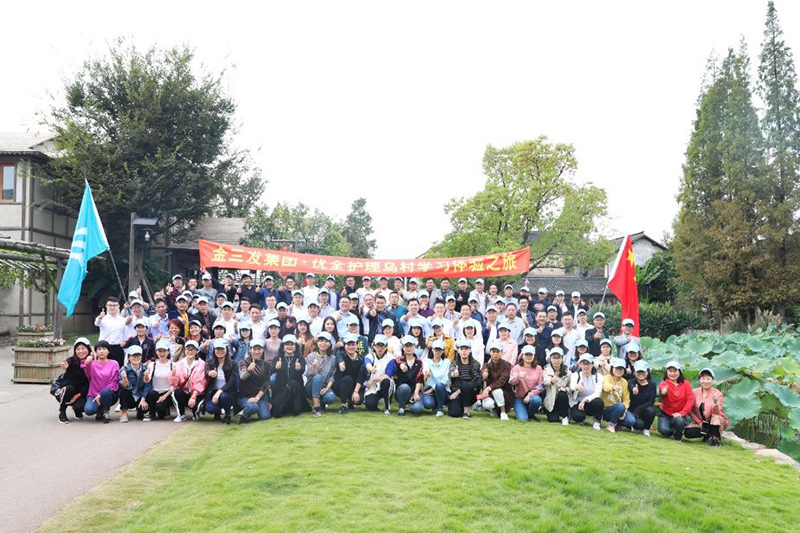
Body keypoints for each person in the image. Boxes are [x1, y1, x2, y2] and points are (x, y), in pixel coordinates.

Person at [685, 368, 729, 447]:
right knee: (688, 433)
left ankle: (716, 439)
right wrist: (699, 422)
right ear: (700, 380)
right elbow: (689, 409)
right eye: (703, 379)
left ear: (712, 380)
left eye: (708, 379)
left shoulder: (718, 394)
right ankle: (708, 434)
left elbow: (717, 413)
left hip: (716, 420)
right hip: (701, 421)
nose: (705, 381)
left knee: (715, 419)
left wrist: (715, 404)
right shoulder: (694, 392)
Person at [81, 340, 121, 423]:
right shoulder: (92, 364)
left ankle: (106, 412)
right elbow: (86, 370)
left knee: (105, 392)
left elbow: (114, 381)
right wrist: (87, 362)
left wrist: (100, 395)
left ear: (108, 351)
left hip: (109, 393)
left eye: (104, 349)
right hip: (93, 394)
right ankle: (100, 409)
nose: (102, 351)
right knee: (89, 410)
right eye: (99, 349)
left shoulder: (114, 363)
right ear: (96, 352)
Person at [54, 337, 92, 423]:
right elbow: (67, 362)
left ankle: (77, 410)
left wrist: (77, 396)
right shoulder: (72, 360)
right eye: (78, 349)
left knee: (83, 407)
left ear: (88, 349)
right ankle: (62, 412)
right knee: (69, 389)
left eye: (83, 348)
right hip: (67, 390)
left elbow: (89, 383)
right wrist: (65, 365)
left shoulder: (92, 362)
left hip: (82, 391)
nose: (80, 351)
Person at [270, 334, 309, 417]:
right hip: (281, 392)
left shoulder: (300, 359)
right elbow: (271, 371)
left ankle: (296, 409)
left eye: (292, 344)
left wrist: (299, 369)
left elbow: (302, 371)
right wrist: (276, 367)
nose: (289, 346)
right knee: (276, 410)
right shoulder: (277, 359)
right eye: (287, 344)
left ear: (295, 347)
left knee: (293, 383)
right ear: (283, 346)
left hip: (296, 394)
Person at [169, 339, 207, 422]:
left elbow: (201, 382)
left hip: (197, 394)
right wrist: (173, 375)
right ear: (184, 350)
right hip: (185, 392)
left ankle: (195, 412)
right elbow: (175, 384)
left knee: (196, 407)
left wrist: (193, 396)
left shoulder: (202, 364)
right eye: (188, 349)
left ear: (196, 351)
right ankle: (181, 414)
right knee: (176, 392)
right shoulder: (178, 364)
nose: (190, 351)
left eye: (192, 349)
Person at [657, 360, 695, 441]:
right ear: (667, 372)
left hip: (680, 415)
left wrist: (681, 413)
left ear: (679, 372)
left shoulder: (686, 384)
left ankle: (678, 434)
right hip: (666, 414)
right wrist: (664, 391)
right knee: (664, 430)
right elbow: (662, 389)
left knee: (679, 420)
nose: (672, 373)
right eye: (670, 371)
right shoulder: (664, 383)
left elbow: (690, 400)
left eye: (675, 371)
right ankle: (672, 430)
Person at [236, 338, 271, 424]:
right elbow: (242, 377)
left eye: (259, 349)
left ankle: (259, 406)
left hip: (260, 396)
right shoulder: (243, 362)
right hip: (245, 396)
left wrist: (257, 398)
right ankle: (244, 415)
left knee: (265, 417)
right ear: (250, 350)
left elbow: (266, 384)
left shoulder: (266, 365)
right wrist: (249, 370)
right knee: (253, 407)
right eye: (254, 349)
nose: (256, 352)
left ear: (262, 350)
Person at [304, 332, 338, 417]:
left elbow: (332, 376)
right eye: (321, 341)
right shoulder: (311, 356)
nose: (323, 343)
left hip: (324, 387)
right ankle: (316, 407)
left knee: (330, 397)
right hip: (311, 387)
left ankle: (321, 403)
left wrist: (327, 388)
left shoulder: (333, 359)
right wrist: (314, 368)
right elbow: (309, 375)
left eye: (326, 341)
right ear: (317, 342)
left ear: (330, 344)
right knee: (318, 377)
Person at [142, 340, 177, 421]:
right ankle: (152, 413)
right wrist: (146, 375)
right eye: (159, 351)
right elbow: (147, 381)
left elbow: (175, 385)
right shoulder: (152, 364)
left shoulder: (173, 365)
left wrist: (165, 396)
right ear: (156, 352)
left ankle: (165, 410)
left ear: (168, 352)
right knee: (151, 393)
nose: (162, 353)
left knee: (161, 410)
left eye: (164, 351)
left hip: (168, 393)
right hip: (155, 393)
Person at [204, 338, 237, 424]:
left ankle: (227, 414)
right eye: (217, 349)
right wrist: (209, 373)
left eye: (222, 349)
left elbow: (232, 381)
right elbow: (206, 374)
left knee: (224, 397)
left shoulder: (233, 364)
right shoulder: (210, 363)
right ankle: (217, 412)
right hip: (213, 392)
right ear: (214, 350)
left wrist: (219, 391)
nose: (220, 351)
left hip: (227, 392)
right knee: (209, 408)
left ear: (226, 350)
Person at [448, 339, 483, 419]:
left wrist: (458, 392)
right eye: (461, 349)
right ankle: (461, 406)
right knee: (454, 413)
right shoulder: (454, 364)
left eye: (466, 349)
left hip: (471, 392)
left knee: (466, 385)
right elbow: (450, 374)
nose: (464, 351)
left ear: (470, 350)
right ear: (458, 351)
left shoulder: (476, 364)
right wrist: (454, 374)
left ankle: (466, 411)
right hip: (457, 391)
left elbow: (475, 381)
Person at [568, 354, 605, 430]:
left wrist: (585, 400)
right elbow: (572, 386)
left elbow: (597, 393)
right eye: (583, 364)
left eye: (588, 364)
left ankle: (597, 421)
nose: (586, 366)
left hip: (591, 403)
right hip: (577, 403)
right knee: (578, 417)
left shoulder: (598, 377)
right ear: (580, 365)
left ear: (592, 364)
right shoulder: (576, 375)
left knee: (599, 402)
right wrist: (577, 387)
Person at [509, 345, 544, 422]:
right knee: (522, 419)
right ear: (522, 356)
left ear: (534, 356)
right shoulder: (517, 367)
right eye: (526, 354)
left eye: (530, 355)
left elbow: (541, 386)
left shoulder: (538, 368)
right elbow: (511, 382)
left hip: (533, 397)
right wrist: (518, 377)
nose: (528, 357)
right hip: (519, 397)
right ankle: (524, 412)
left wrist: (530, 395)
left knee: (537, 400)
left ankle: (531, 414)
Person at [392, 335, 425, 416]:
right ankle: (402, 407)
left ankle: (410, 404)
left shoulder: (419, 362)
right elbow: (399, 363)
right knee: (405, 387)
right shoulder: (399, 359)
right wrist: (402, 366)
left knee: (417, 409)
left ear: (414, 347)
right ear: (403, 348)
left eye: (411, 346)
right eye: (406, 346)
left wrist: (416, 393)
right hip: (401, 391)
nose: (408, 348)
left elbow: (419, 379)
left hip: (413, 391)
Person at [480, 341, 513, 421]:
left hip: (505, 394)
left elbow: (502, 381)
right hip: (491, 394)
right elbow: (483, 373)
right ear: (490, 353)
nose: (495, 354)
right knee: (487, 404)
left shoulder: (507, 365)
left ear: (501, 352)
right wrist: (484, 376)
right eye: (493, 351)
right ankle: (495, 409)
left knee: (497, 390)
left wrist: (489, 388)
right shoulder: (486, 365)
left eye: (498, 352)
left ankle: (503, 412)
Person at [363, 334, 396, 414]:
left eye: (382, 346)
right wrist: (371, 369)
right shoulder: (370, 355)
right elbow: (367, 362)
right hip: (373, 386)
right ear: (374, 346)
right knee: (370, 404)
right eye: (377, 346)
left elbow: (387, 375)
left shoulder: (391, 358)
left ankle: (387, 407)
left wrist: (373, 379)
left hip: (385, 384)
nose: (380, 349)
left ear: (386, 346)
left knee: (386, 381)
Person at [601, 358, 635, 433]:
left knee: (631, 421)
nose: (619, 371)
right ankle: (611, 424)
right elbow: (605, 387)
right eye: (616, 368)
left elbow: (626, 399)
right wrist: (613, 388)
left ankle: (617, 422)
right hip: (606, 408)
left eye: (621, 369)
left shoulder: (624, 382)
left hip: (619, 408)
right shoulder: (606, 378)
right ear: (612, 368)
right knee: (620, 406)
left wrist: (624, 411)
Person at [335, 333, 366, 414]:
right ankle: (343, 404)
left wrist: (356, 392)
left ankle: (350, 401)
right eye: (348, 345)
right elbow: (339, 359)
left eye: (353, 344)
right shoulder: (340, 354)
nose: (351, 347)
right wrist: (341, 364)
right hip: (340, 386)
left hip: (354, 386)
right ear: (344, 345)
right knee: (347, 379)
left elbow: (360, 376)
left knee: (359, 400)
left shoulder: (361, 359)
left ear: (357, 345)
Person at [422, 339, 453, 416]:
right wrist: (426, 372)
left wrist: (433, 388)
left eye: (439, 350)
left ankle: (440, 409)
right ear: (432, 350)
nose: (437, 352)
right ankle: (435, 405)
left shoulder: (447, 362)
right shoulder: (427, 361)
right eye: (435, 349)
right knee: (428, 404)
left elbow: (446, 379)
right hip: (430, 391)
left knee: (439, 385)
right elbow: (425, 370)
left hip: (443, 390)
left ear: (443, 351)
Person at [94, 297, 127, 368]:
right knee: (102, 368)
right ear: (106, 306)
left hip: (117, 347)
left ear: (118, 306)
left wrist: (124, 341)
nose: (112, 307)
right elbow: (97, 323)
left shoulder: (123, 320)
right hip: (104, 348)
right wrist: (100, 317)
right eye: (110, 305)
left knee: (118, 368)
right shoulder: (102, 318)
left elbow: (125, 333)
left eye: (114, 305)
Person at [118, 345, 148, 423]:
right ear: (129, 357)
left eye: (138, 355)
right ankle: (124, 411)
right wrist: (125, 378)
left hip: (140, 396)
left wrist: (143, 399)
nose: (136, 358)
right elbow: (125, 386)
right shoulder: (124, 369)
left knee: (143, 412)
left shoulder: (146, 368)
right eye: (133, 356)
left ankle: (140, 411)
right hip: (129, 396)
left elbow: (148, 385)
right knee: (123, 390)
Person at [541, 347, 570, 425]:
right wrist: (551, 381)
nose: (556, 360)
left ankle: (565, 416)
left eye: (558, 358)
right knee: (553, 419)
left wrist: (566, 389)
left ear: (562, 359)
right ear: (550, 359)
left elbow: (571, 386)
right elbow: (544, 381)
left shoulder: (567, 371)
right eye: (554, 358)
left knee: (562, 394)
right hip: (550, 400)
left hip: (562, 399)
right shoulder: (546, 369)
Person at [628, 360, 656, 436]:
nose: (641, 374)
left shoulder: (652, 385)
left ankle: (647, 428)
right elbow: (631, 387)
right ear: (635, 372)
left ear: (647, 372)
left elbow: (651, 402)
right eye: (638, 372)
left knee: (651, 410)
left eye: (643, 372)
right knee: (639, 425)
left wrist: (638, 409)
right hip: (632, 411)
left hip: (643, 410)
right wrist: (634, 390)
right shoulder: (631, 382)